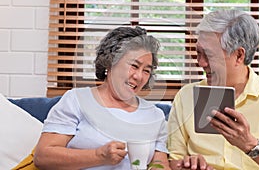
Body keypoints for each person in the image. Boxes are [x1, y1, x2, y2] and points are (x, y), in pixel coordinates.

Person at [167, 9, 259, 170]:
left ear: (239, 56)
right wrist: (188, 165)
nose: (201, 63)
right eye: (198, 53)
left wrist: (249, 144)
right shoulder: (186, 96)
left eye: (209, 55)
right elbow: (174, 159)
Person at [33, 26, 171, 170]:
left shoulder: (154, 115)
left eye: (146, 71)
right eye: (134, 66)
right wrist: (99, 156)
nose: (139, 76)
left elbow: (160, 163)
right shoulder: (76, 100)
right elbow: (43, 157)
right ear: (110, 62)